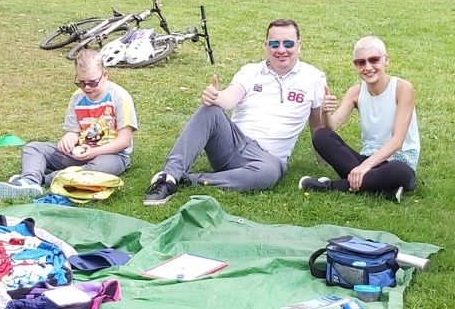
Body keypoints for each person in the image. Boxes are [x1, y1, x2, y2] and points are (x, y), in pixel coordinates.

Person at [142, 19, 327, 205]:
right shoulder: (250, 72)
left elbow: (316, 125)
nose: (281, 50)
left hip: (266, 159)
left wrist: (324, 160)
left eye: (288, 44)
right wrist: (216, 97)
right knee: (210, 111)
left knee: (269, 172)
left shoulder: (314, 78)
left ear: (299, 45)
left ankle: (189, 180)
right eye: (274, 44)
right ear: (266, 46)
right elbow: (229, 98)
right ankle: (169, 177)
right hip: (232, 144)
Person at [0, 49, 137, 200]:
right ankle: (30, 181)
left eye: (92, 82)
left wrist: (93, 152)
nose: (87, 88)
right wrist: (69, 138)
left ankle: (43, 179)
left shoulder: (120, 97)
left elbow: (124, 141)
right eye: (81, 83)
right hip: (79, 152)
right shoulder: (77, 97)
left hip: (112, 155)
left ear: (105, 75)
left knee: (100, 168)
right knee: (32, 148)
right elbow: (74, 131)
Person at [301, 36, 419, 202]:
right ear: (355, 65)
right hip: (367, 157)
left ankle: (330, 186)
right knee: (321, 136)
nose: (368, 67)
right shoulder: (355, 92)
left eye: (374, 60)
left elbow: (398, 140)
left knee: (399, 171)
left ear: (386, 60)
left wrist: (364, 168)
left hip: (398, 160)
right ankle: (385, 189)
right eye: (361, 62)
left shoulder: (402, 88)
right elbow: (331, 127)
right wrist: (325, 112)